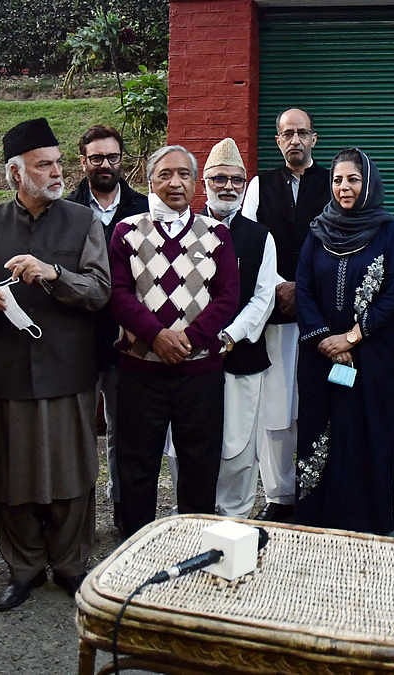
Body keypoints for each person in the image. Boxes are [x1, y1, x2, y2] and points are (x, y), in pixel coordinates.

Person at [0, 118, 111, 611]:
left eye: (60, 162)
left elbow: (100, 290)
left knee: (71, 474)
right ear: (16, 174)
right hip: (10, 374)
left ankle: (69, 565)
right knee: (11, 477)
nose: (58, 171)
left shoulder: (84, 222)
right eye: (45, 164)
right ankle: (22, 570)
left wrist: (55, 273)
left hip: (69, 371)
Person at [108, 145, 240, 536]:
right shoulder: (127, 232)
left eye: (184, 174)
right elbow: (118, 292)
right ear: (150, 181)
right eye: (165, 174)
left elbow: (228, 296)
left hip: (200, 370)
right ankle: (136, 545)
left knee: (200, 463)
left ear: (196, 182)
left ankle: (193, 546)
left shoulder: (216, 234)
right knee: (137, 464)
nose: (175, 182)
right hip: (140, 371)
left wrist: (186, 339)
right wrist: (155, 335)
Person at [294, 148, 394, 534]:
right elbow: (304, 289)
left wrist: (353, 336)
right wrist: (325, 338)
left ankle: (367, 520)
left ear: (369, 183)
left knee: (365, 430)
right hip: (320, 356)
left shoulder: (389, 232)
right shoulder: (317, 231)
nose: (345, 187)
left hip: (370, 358)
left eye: (353, 179)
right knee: (321, 427)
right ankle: (317, 516)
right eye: (338, 180)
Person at [164, 138, 277, 517]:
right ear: (204, 183)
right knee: (185, 445)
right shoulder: (181, 230)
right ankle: (191, 521)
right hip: (188, 359)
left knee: (239, 448)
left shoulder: (261, 237)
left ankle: (235, 523)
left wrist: (230, 334)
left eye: (236, 180)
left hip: (240, 355)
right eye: (219, 179)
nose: (228, 186)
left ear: (245, 186)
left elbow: (264, 297)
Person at [240, 108, 329, 522]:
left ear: (314, 138)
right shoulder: (261, 185)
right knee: (275, 409)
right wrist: (278, 284)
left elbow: (338, 240)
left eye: (301, 133)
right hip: (274, 310)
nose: (294, 140)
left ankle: (318, 490)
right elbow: (250, 237)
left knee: (315, 402)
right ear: (278, 141)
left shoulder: (332, 181)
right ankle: (279, 496)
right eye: (286, 134)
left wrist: (305, 289)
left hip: (321, 313)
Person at [65, 124, 148, 532]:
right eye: (96, 158)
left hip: (127, 341)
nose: (104, 165)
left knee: (123, 435)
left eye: (112, 157)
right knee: (79, 437)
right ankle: (79, 523)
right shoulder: (65, 210)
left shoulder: (145, 209)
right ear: (83, 161)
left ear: (122, 160)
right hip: (79, 341)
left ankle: (123, 517)